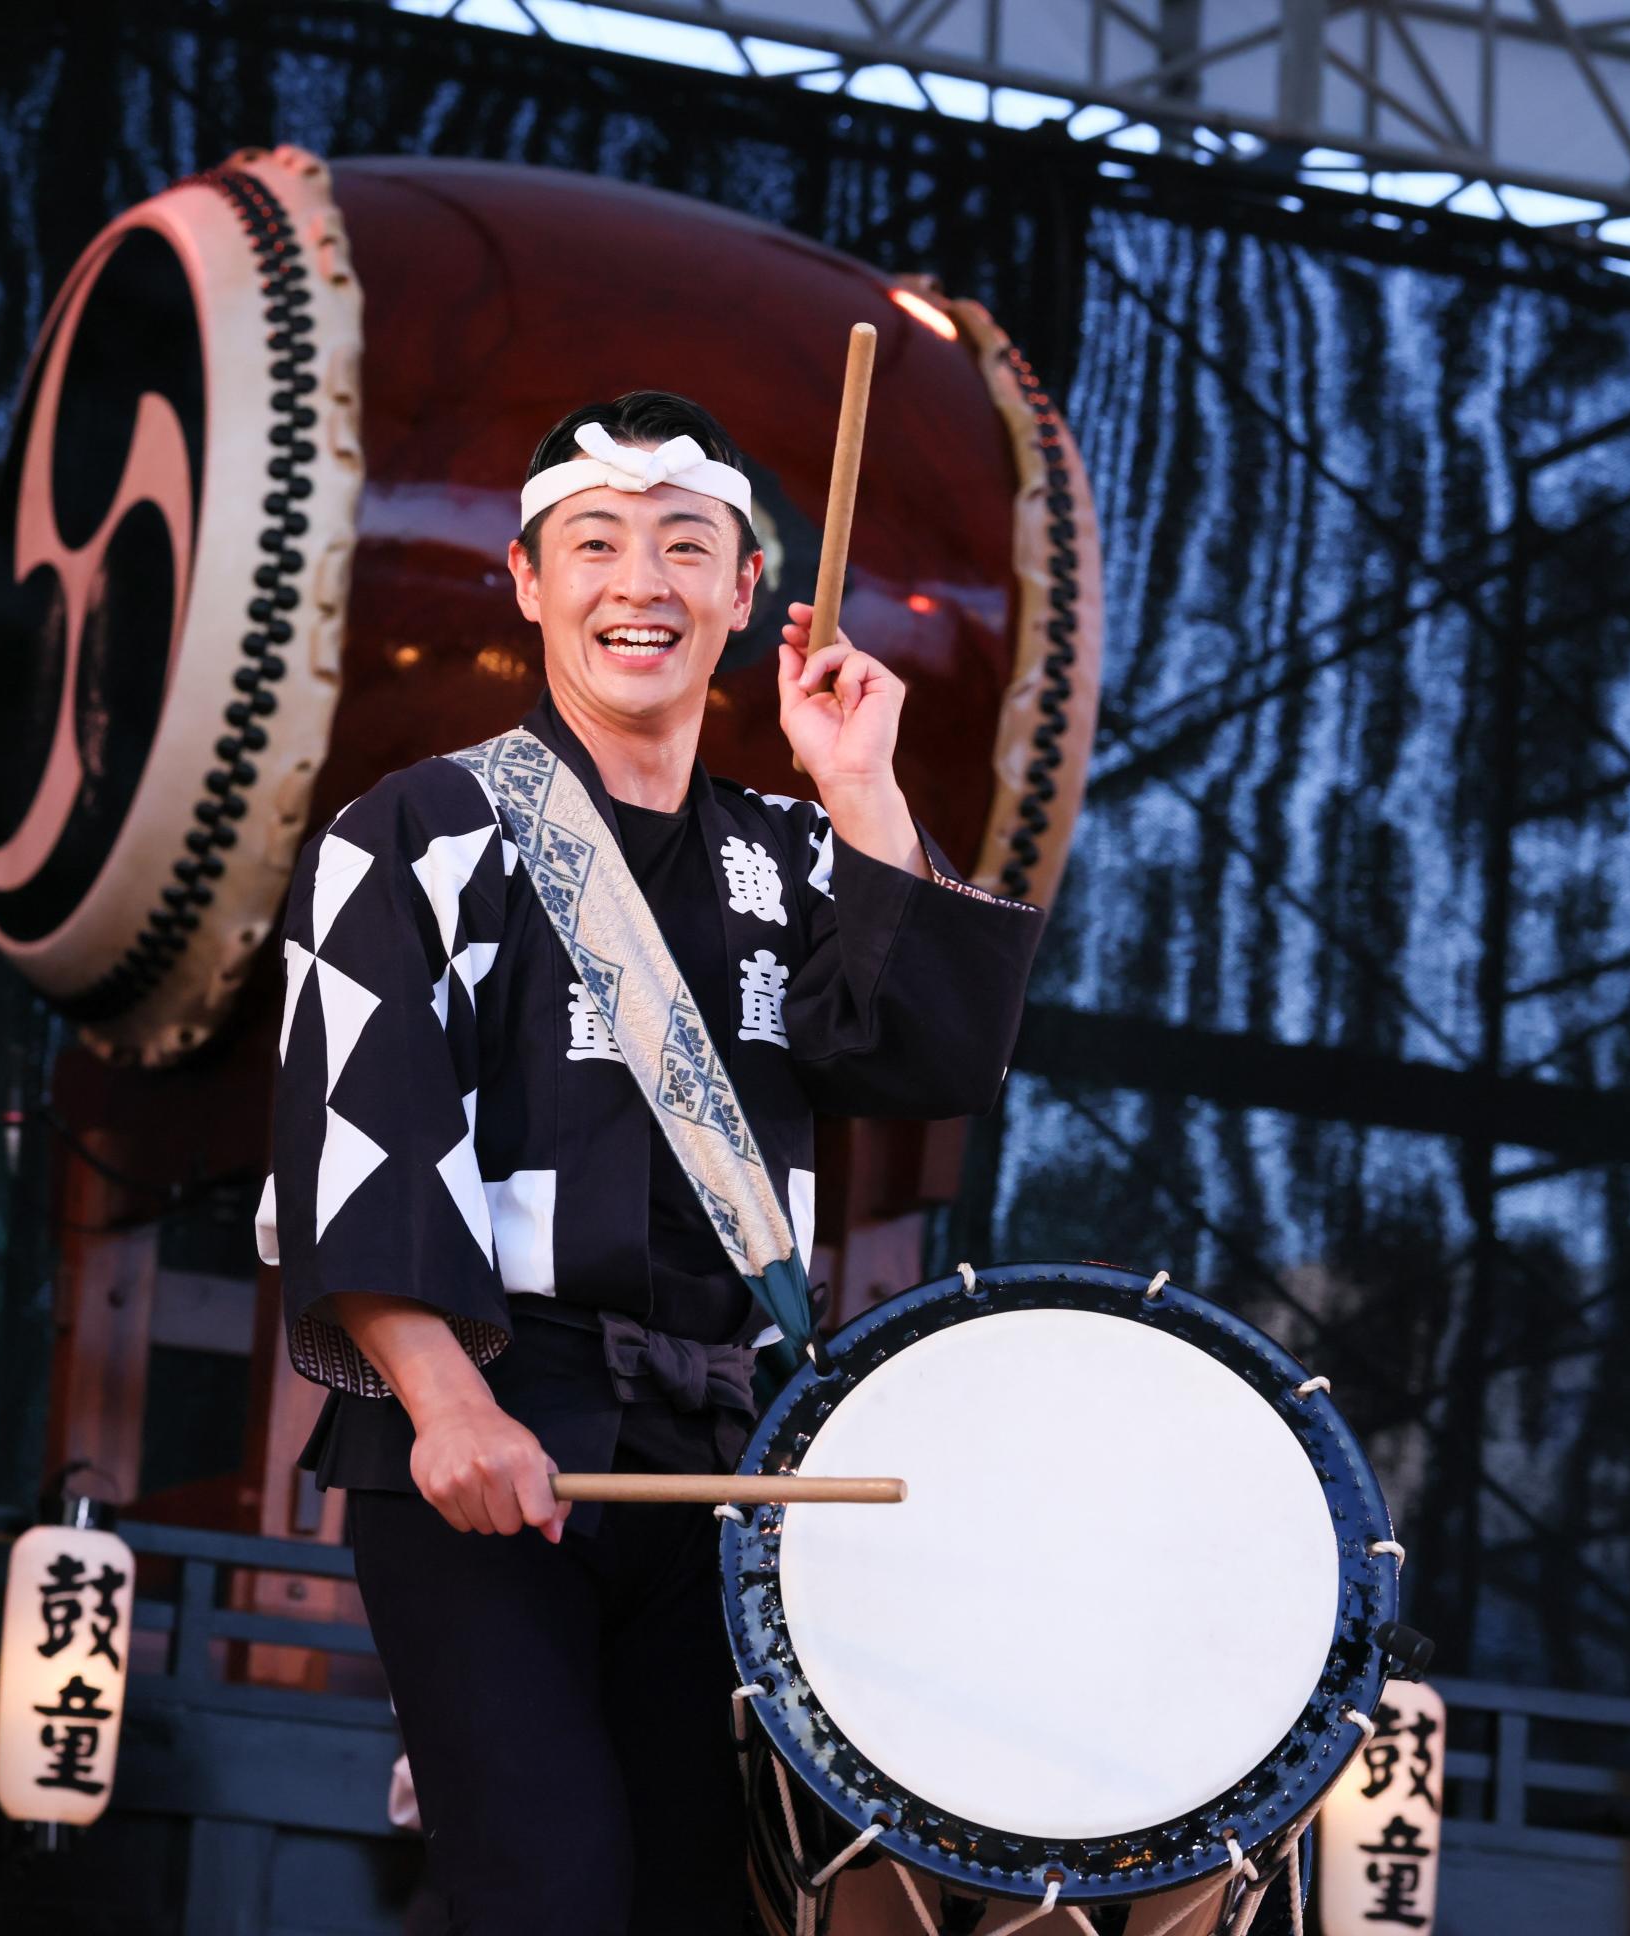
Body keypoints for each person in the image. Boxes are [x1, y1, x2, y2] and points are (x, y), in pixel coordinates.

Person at [255, 391, 1046, 1935]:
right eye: (598, 544)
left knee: (696, 1904)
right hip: (495, 1432)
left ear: (746, 595)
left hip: (730, 1459)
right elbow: (363, 1134)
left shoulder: (789, 853)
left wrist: (862, 784)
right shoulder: (420, 831)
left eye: (688, 548)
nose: (643, 584)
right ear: (527, 580)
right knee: (545, 1888)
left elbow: (933, 1060)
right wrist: (447, 1405)